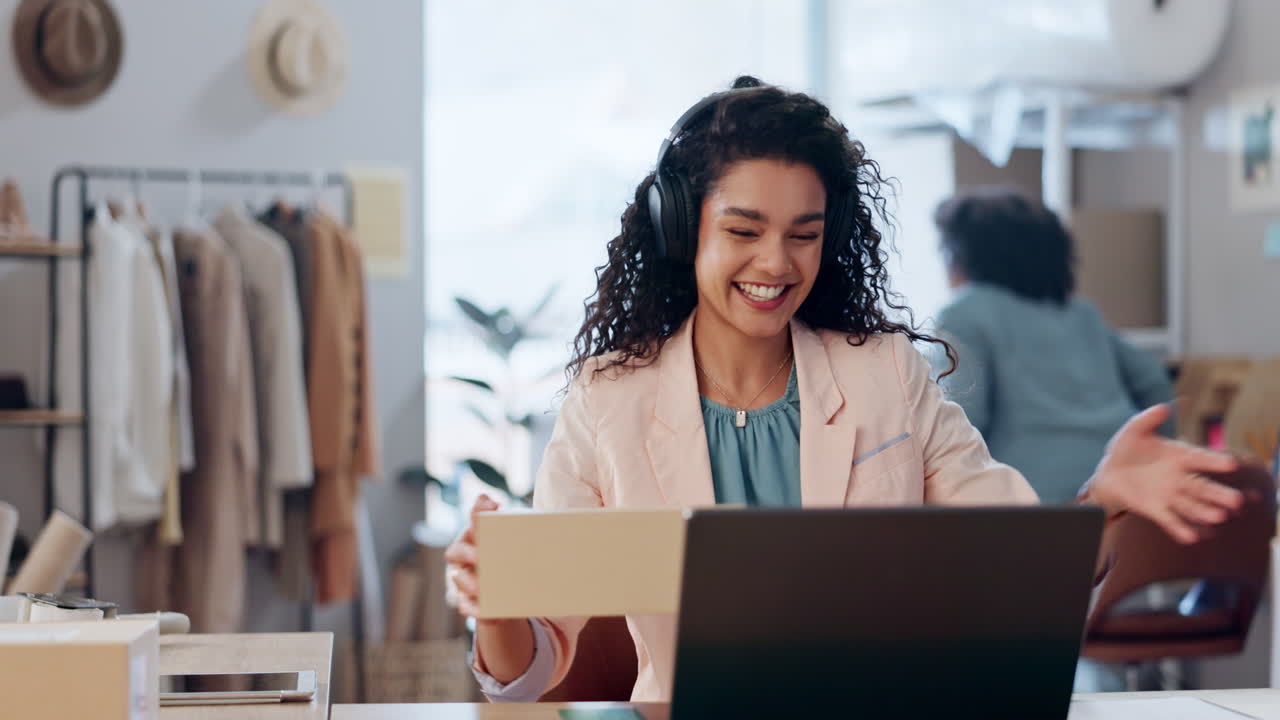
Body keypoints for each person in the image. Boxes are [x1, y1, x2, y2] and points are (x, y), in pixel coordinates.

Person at [445, 77, 1241, 703]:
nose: (777, 264)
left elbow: (1021, 572)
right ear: (684, 230)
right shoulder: (608, 399)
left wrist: (1103, 497)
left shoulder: (884, 373)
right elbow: (531, 667)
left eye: (805, 235)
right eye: (744, 231)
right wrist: (498, 607)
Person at [932, 188, 1176, 504]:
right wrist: (1157, 453)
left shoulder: (962, 314)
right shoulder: (1080, 313)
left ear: (961, 258)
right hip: (1120, 485)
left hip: (1033, 501)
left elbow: (960, 420)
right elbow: (1154, 381)